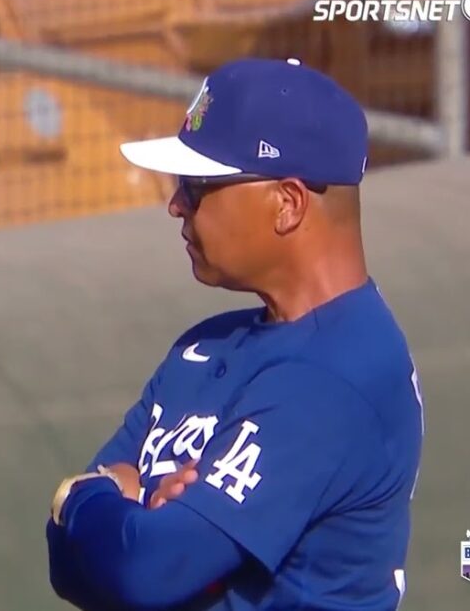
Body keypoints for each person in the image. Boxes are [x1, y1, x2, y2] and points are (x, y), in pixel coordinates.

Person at [45, 58, 425, 610]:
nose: (175, 204)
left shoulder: (339, 377)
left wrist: (80, 496)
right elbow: (73, 568)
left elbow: (146, 570)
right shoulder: (206, 345)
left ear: (287, 203)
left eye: (197, 186)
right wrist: (128, 512)